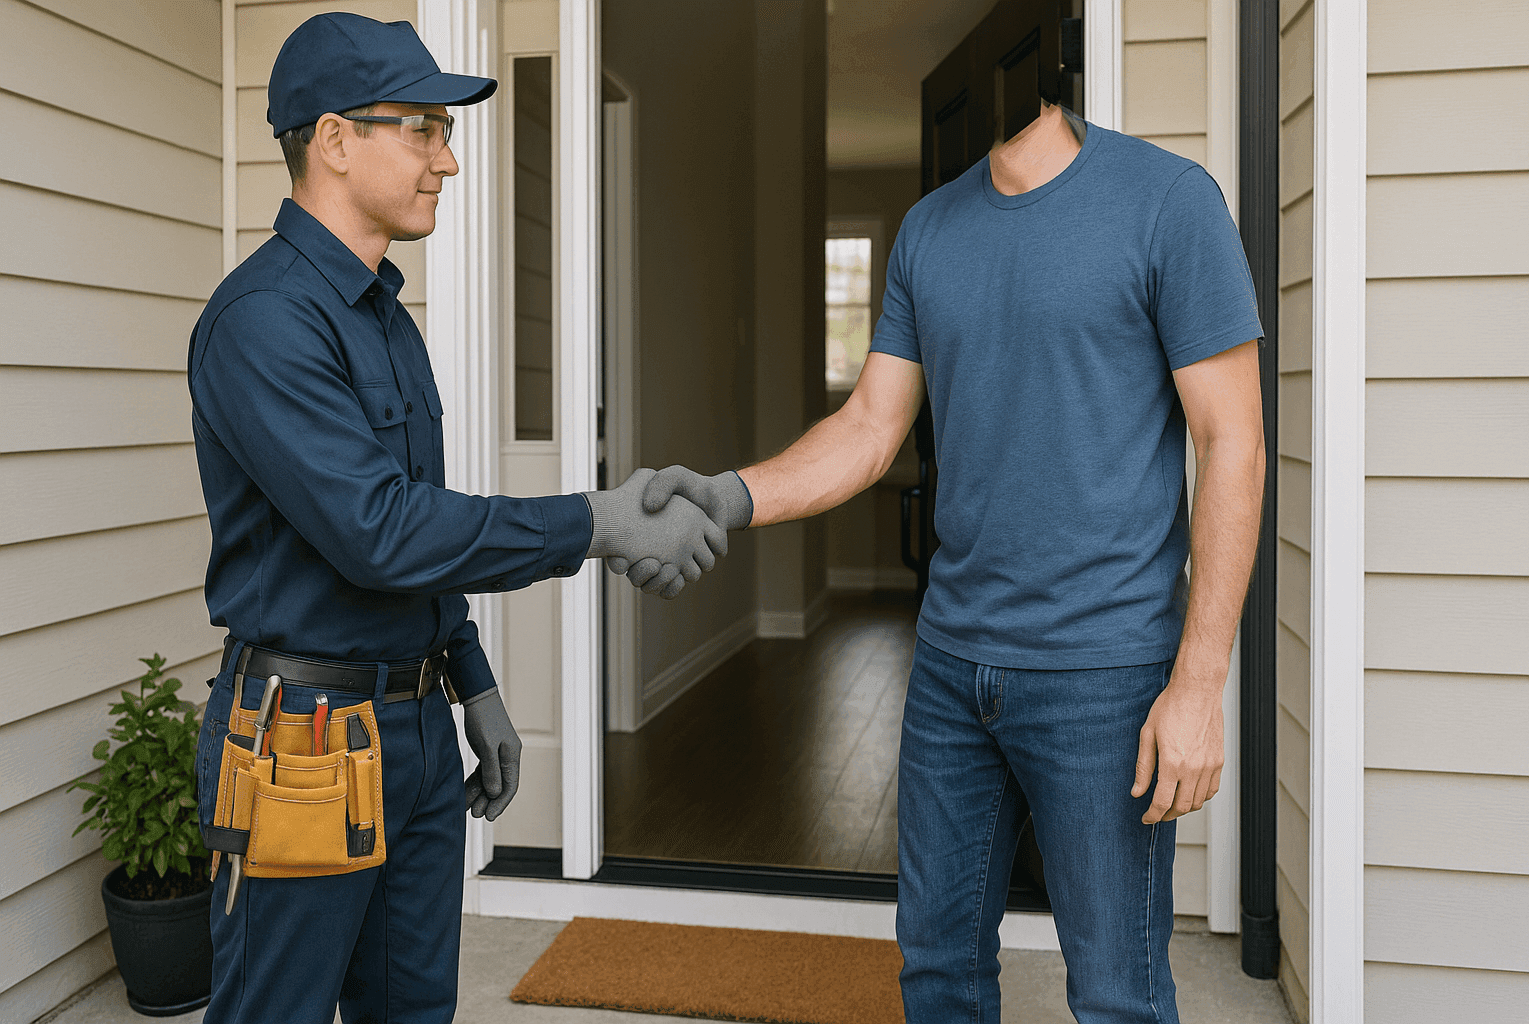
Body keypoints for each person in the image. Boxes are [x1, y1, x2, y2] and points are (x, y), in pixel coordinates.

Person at [632, 99, 1265, 1023]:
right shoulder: (929, 230)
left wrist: (1200, 684)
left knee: (1117, 995)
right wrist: (726, 496)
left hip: (1105, 676)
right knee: (937, 971)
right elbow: (868, 428)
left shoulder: (1168, 200)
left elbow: (1234, 443)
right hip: (951, 671)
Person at [187, 14, 722, 1023]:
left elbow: (416, 526)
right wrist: (598, 521)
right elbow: (379, 531)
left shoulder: (385, 320)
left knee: (413, 1010)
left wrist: (470, 680)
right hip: (302, 742)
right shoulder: (263, 323)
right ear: (337, 139)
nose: (451, 161)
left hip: (418, 733)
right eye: (424, 128)